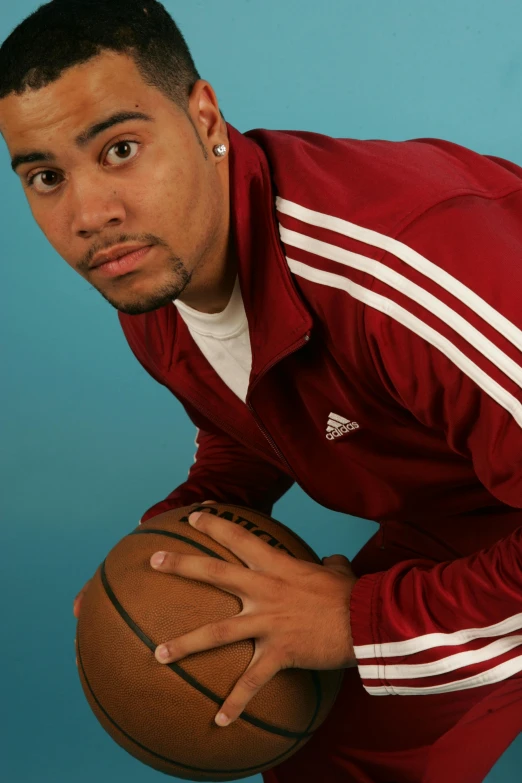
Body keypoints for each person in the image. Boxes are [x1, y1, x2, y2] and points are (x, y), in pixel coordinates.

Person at [1, 1, 521, 781]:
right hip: (467, 501)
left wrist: (354, 619)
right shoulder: (153, 285)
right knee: (319, 742)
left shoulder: (392, 274)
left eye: (120, 149)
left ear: (204, 116)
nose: (89, 215)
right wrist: (174, 548)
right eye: (46, 176)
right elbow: (247, 417)